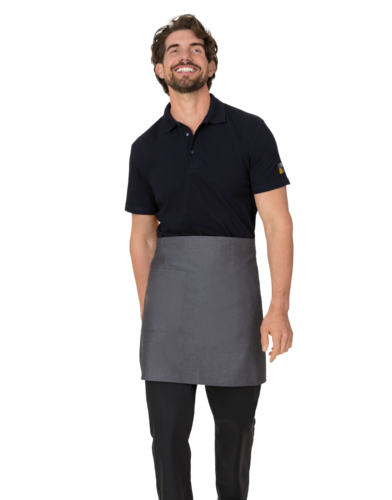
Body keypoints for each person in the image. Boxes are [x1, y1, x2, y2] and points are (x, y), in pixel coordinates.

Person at [125, 11, 295, 500]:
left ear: (212, 63)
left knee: (236, 447)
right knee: (168, 450)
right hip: (167, 311)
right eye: (174, 51)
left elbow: (278, 224)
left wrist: (279, 307)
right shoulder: (144, 148)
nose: (186, 57)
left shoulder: (251, 131)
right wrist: (149, 314)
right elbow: (141, 239)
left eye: (196, 49)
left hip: (235, 307)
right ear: (159, 68)